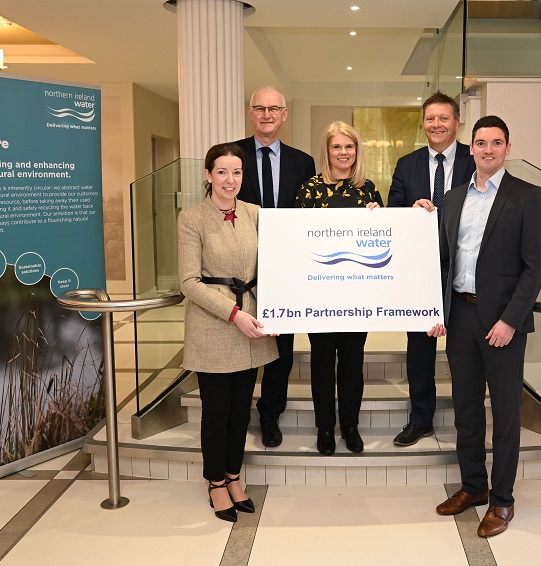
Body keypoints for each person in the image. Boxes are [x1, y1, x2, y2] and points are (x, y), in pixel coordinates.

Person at [424, 115, 541, 538]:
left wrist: (510, 321)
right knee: (467, 410)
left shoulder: (527, 196)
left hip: (502, 325)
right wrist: (434, 311)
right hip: (459, 317)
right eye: (480, 143)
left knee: (507, 414)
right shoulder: (454, 198)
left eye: (496, 143)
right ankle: (474, 487)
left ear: (507, 148)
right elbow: (443, 261)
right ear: (470, 148)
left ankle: (503, 500)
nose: (487, 149)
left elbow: (535, 268)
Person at [178, 143, 278, 523]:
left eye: (236, 172)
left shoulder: (255, 213)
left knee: (240, 413)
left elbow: (279, 262)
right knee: (216, 413)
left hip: (252, 326)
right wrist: (233, 313)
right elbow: (189, 282)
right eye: (222, 172)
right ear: (208, 175)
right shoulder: (192, 218)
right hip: (215, 327)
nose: (230, 180)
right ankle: (215, 482)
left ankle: (234, 475)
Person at [387, 91, 475, 447]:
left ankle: (467, 423)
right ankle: (420, 419)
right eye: (430, 119)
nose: (436, 124)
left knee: (464, 350)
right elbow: (392, 210)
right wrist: (411, 208)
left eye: (443, 118)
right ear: (423, 123)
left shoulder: (476, 157)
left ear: (457, 122)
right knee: (419, 350)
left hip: (463, 269)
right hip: (420, 271)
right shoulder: (407, 164)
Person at [235, 86, 316, 448]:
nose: (267, 114)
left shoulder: (304, 162)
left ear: (285, 115)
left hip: (287, 270)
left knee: (281, 350)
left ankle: (270, 414)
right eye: (260, 108)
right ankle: (237, 413)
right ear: (251, 114)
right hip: (241, 269)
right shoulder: (232, 155)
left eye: (274, 109)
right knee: (242, 344)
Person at [296, 121, 382, 456]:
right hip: (319, 295)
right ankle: (324, 428)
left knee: (351, 363)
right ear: (327, 151)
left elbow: (381, 243)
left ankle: (350, 425)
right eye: (337, 147)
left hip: (357, 295)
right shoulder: (309, 190)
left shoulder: (369, 191)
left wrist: (380, 217)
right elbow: (298, 242)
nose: (343, 153)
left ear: (356, 151)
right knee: (321, 363)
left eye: (349, 147)